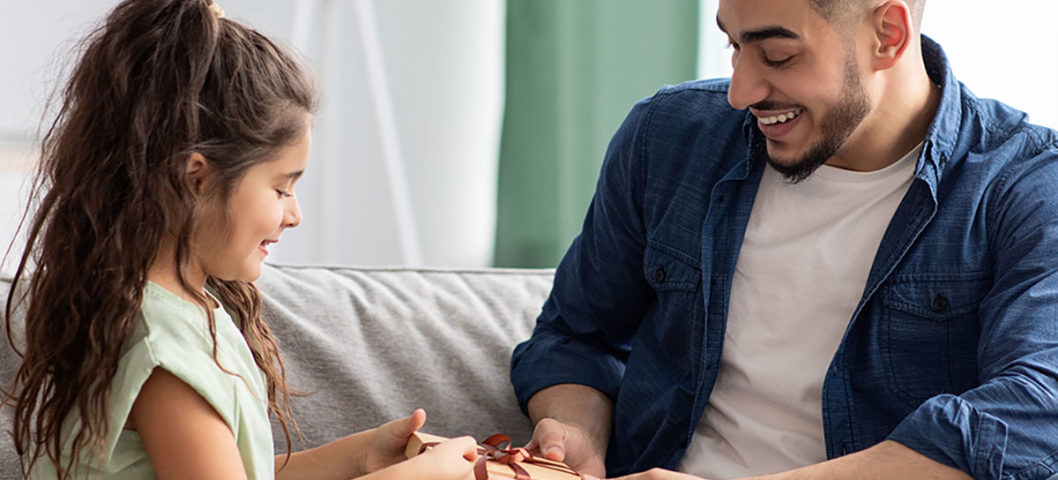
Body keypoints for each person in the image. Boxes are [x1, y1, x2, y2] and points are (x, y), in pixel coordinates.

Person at [510, 0, 1058, 479]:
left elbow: (1037, 413)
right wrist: (574, 435)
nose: (740, 91)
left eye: (776, 56)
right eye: (732, 44)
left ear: (887, 35)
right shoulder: (667, 138)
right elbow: (575, 337)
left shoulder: (1024, 186)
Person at [1, 1, 480, 478]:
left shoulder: (184, 309)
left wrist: (359, 457)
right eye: (281, 187)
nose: (294, 214)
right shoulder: (161, 349)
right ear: (197, 180)